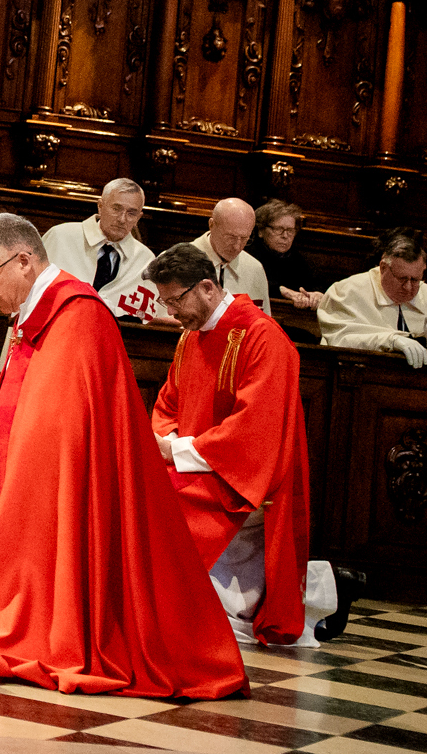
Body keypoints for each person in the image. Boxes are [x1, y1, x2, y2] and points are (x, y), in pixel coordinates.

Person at [0, 214, 245, 699]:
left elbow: (68, 432)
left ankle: (41, 634)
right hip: (37, 470)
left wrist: (2, 441)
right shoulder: (40, 313)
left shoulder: (77, 315)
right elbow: (41, 410)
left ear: (24, 261)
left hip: (73, 482)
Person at [145, 244, 341, 647]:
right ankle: (156, 605)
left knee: (160, 499)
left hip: (245, 476)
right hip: (199, 463)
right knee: (138, 485)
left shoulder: (261, 336)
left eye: (175, 300)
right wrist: (168, 443)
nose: (171, 312)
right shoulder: (191, 336)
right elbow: (167, 404)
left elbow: (255, 429)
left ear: (206, 287)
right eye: (165, 302)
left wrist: (177, 452)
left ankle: (175, 605)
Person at [319, 227, 427, 367]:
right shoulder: (347, 291)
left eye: (415, 280)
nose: (408, 287)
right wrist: (390, 340)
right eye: (402, 279)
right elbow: (338, 340)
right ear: (383, 268)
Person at [39, 178, 157, 322]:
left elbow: (152, 318)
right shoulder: (60, 237)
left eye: (131, 213)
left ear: (139, 217)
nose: (122, 219)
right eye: (116, 209)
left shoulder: (145, 261)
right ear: (100, 206)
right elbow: (27, 293)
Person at [191, 198, 278, 314]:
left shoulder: (254, 268)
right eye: (230, 237)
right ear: (211, 225)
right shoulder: (178, 262)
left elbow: (263, 321)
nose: (237, 247)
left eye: (244, 238)